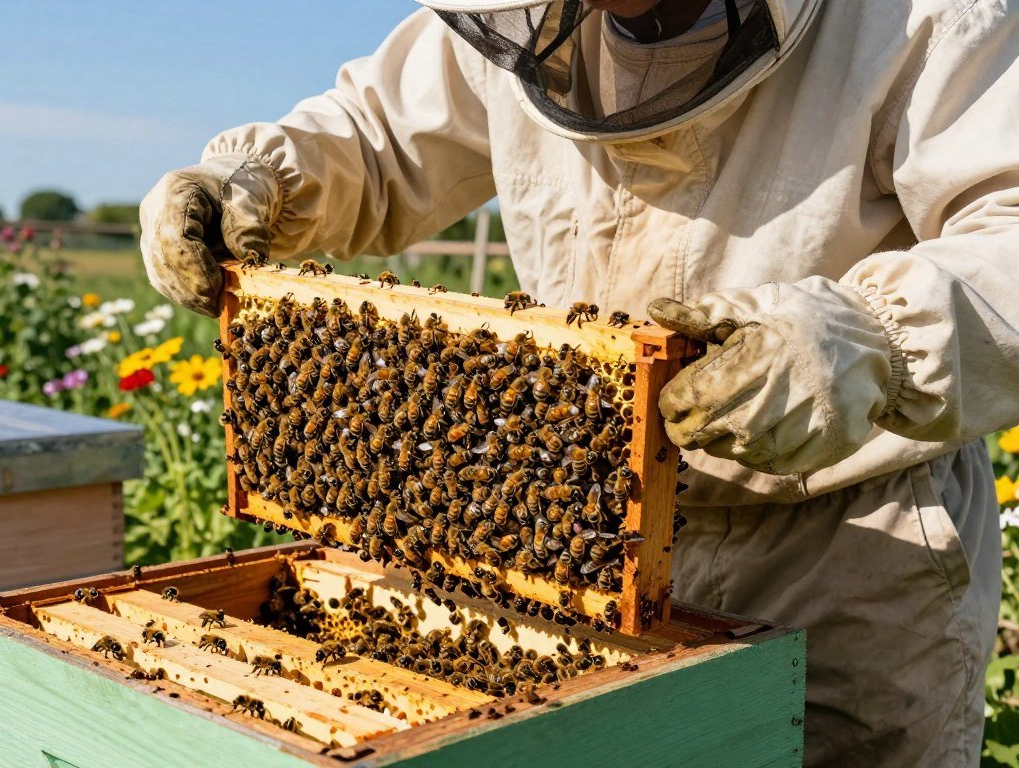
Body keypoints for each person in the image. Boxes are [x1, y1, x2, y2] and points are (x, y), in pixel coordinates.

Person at [139, 1, 1014, 764]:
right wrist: (256, 181)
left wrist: (869, 338)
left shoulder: (928, 18)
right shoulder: (523, 19)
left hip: (848, 550)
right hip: (590, 532)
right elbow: (380, 134)